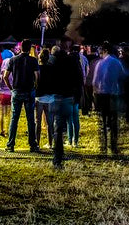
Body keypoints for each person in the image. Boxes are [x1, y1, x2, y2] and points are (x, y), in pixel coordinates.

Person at [48, 39, 85, 168]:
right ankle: (71, 142)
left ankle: (58, 157)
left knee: (58, 127)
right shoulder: (73, 60)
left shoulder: (53, 60)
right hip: (69, 97)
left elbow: (48, 78)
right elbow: (80, 79)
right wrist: (78, 96)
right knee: (71, 120)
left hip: (57, 97)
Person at [3, 38, 40, 152]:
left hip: (17, 91)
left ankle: (10, 144)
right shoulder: (33, 60)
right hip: (29, 91)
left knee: (14, 118)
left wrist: (11, 88)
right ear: (29, 49)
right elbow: (37, 76)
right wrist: (35, 86)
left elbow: (5, 76)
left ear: (21, 48)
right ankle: (32, 144)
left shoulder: (13, 60)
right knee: (30, 119)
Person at [92, 41, 127, 154]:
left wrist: (95, 94)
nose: (99, 53)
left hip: (102, 95)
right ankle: (113, 145)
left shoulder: (100, 64)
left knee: (102, 121)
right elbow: (123, 76)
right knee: (113, 121)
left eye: (100, 50)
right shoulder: (117, 63)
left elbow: (95, 81)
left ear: (105, 50)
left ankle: (103, 146)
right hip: (113, 94)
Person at [35, 47, 55, 148]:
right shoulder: (52, 68)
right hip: (50, 97)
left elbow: (36, 82)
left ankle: (37, 143)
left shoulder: (38, 68)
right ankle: (50, 143)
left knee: (38, 121)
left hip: (39, 97)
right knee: (50, 122)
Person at [0, 53, 13, 137]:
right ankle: (8, 130)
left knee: (1, 114)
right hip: (9, 94)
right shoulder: (12, 73)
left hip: (1, 94)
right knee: (8, 114)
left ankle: (1, 130)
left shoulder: (1, 74)